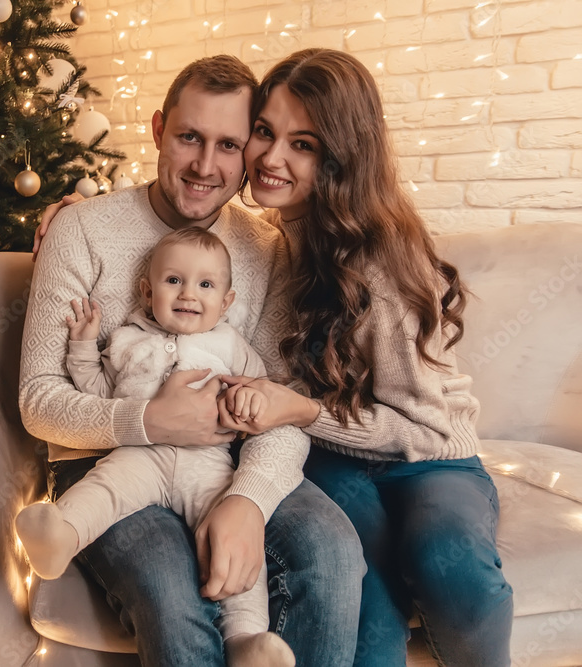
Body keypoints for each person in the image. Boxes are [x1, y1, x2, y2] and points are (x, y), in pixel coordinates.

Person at [20, 54, 364, 666]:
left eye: (228, 145)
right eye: (189, 138)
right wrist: (150, 422)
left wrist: (247, 500)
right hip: (109, 463)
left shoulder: (265, 248)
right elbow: (40, 399)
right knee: (172, 594)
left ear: (249, 153)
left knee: (332, 547)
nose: (206, 167)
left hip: (223, 463)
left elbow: (281, 398)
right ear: (158, 130)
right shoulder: (81, 230)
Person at [217, 48, 514, 666]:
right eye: (265, 133)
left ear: (341, 157)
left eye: (304, 144)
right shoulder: (263, 240)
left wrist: (299, 410)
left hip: (426, 454)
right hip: (330, 458)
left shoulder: (382, 259)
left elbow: (425, 427)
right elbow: (172, 218)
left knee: (448, 563)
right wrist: (67, 211)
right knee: (366, 606)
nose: (271, 159)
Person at [17, 227, 299, 666]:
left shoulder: (229, 344)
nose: (188, 293)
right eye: (174, 281)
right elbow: (98, 392)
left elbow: (260, 390)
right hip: (138, 453)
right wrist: (83, 346)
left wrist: (250, 399)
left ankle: (246, 639)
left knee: (233, 541)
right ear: (148, 292)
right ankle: (60, 538)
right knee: (105, 489)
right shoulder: (127, 340)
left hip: (206, 464)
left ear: (226, 302)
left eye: (205, 285)